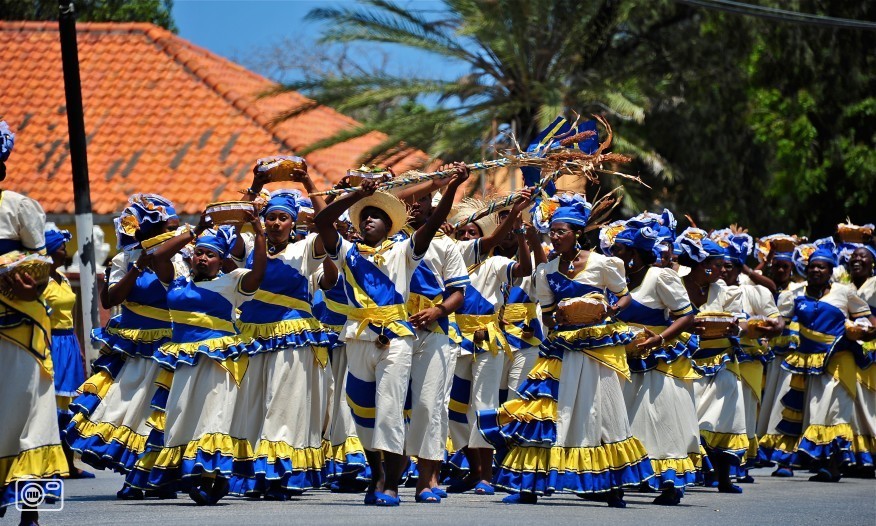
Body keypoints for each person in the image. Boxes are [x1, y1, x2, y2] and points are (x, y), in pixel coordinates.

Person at [479, 194, 652, 506]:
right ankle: (529, 487)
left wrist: (607, 311)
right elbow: (545, 312)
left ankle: (612, 486)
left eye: (561, 231)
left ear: (578, 233)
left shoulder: (604, 264)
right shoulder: (546, 271)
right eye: (552, 232)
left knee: (602, 410)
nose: (555, 237)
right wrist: (556, 318)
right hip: (562, 347)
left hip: (599, 348)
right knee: (548, 410)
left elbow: (624, 297)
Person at [313, 163, 469, 507]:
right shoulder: (347, 252)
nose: (368, 220)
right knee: (361, 410)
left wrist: (451, 187)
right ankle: (377, 475)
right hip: (358, 336)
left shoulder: (404, 252)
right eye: (363, 216)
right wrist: (358, 195)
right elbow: (322, 222)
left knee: (389, 410)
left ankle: (390, 484)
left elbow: (429, 225)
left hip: (397, 336)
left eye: (376, 216)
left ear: (391, 225)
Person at [66, 195, 181, 500]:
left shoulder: (182, 255)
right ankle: (139, 473)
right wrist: (137, 268)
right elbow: (109, 300)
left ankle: (159, 475)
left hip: (169, 344)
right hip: (132, 344)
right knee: (127, 410)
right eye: (169, 225)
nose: (174, 229)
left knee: (161, 413)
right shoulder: (124, 259)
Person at [146, 216, 266, 505]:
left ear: (220, 260)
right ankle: (192, 469)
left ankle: (213, 472)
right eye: (199, 252)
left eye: (210, 254)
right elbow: (157, 255)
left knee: (214, 414)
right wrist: (195, 232)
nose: (202, 258)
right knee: (182, 415)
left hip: (218, 361)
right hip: (184, 359)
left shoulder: (231, 282)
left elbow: (259, 271)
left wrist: (259, 234)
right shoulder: (175, 282)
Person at [229, 178, 338, 499]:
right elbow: (230, 232)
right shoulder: (250, 246)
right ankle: (254, 475)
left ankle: (280, 474)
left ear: (293, 222)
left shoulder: (305, 248)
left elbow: (328, 226)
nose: (276, 223)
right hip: (251, 336)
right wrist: (255, 185)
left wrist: (308, 182)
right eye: (271, 217)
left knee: (283, 404)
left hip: (292, 337)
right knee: (251, 404)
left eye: (283, 218)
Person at [0, 120, 69, 526]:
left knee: (28, 410)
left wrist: (28, 288)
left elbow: (38, 266)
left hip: (21, 323)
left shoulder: (18, 206)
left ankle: (30, 509)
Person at [446, 192, 533, 497]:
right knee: (453, 408)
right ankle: (473, 470)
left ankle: (487, 473)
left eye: (473, 233)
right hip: (455, 340)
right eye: (462, 233)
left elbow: (524, 270)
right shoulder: (450, 260)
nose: (467, 237)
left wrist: (519, 230)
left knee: (483, 405)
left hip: (488, 340)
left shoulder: (495, 262)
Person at [609, 220, 700, 506]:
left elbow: (687, 316)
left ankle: (671, 483)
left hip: (657, 360)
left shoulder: (659, 276)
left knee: (660, 420)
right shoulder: (617, 283)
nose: (613, 254)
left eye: (619, 249)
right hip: (627, 360)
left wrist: (659, 340)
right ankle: (632, 476)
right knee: (630, 421)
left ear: (634, 254)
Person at [392, 186, 468, 503]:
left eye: (422, 200)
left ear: (431, 205)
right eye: (409, 200)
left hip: (434, 330)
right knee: (391, 405)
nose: (414, 205)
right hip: (394, 329)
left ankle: (426, 480)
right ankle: (388, 479)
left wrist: (438, 310)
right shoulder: (388, 240)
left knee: (428, 405)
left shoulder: (446, 245)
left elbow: (459, 293)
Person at [774, 245, 875, 482]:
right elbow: (781, 322)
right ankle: (813, 463)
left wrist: (863, 331)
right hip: (808, 364)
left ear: (831, 271)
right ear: (806, 270)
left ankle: (833, 467)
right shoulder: (795, 294)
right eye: (812, 267)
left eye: (822, 267)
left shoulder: (844, 293)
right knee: (811, 412)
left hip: (841, 360)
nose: (816, 270)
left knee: (836, 413)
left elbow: (867, 320)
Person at [679, 228, 749, 494]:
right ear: (702, 265)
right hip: (686, 359)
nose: (722, 270)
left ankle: (725, 478)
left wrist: (734, 329)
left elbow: (737, 321)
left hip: (723, 360)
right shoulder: (676, 283)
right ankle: (687, 473)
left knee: (726, 417)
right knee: (689, 417)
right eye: (716, 265)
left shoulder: (726, 291)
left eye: (723, 265)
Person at [43, 226, 92, 479]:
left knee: (69, 406)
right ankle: (50, 466)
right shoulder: (41, 282)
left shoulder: (62, 279)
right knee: (52, 405)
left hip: (68, 343)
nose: (66, 252)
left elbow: (69, 316)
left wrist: (78, 347)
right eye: (62, 248)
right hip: (51, 342)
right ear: (51, 252)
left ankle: (69, 464)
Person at [847, 245, 876, 475]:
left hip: (872, 346)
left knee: (870, 403)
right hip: (848, 347)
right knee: (854, 401)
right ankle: (859, 457)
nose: (856, 260)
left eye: (862, 256)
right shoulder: (842, 287)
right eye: (853, 256)